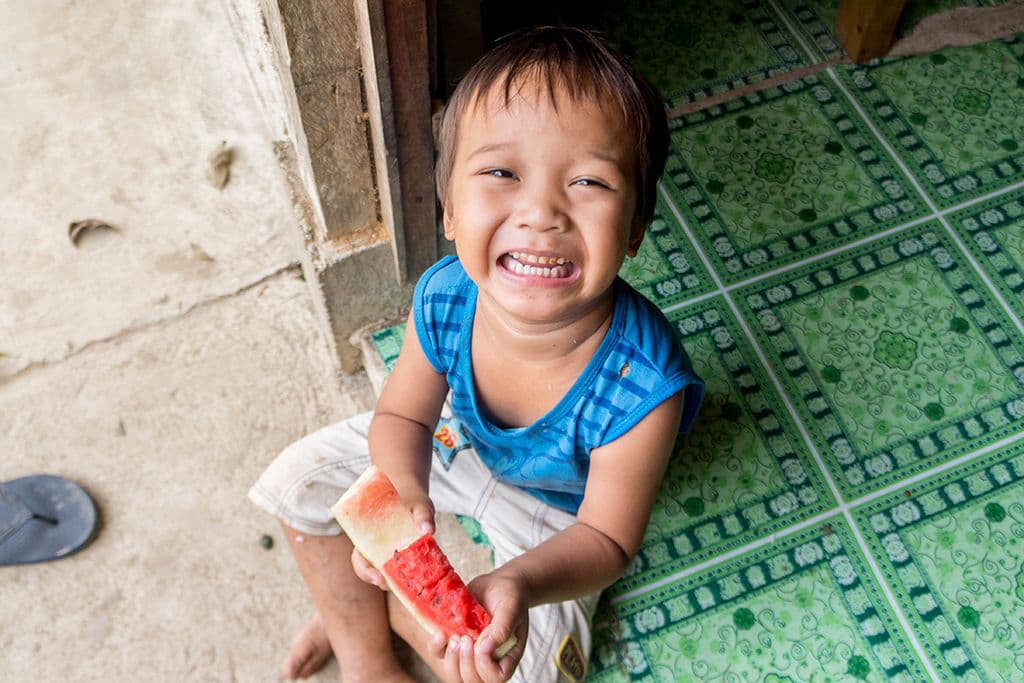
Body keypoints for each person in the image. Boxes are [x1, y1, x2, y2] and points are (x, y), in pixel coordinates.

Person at [249, 26, 704, 683]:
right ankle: (367, 656)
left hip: (558, 519)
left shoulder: (644, 385)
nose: (541, 212)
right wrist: (403, 487)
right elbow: (404, 418)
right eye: (501, 173)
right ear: (449, 211)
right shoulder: (444, 296)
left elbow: (607, 540)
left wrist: (517, 581)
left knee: (531, 673)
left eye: (588, 183)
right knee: (302, 479)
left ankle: (383, 609)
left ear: (634, 228)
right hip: (452, 441)